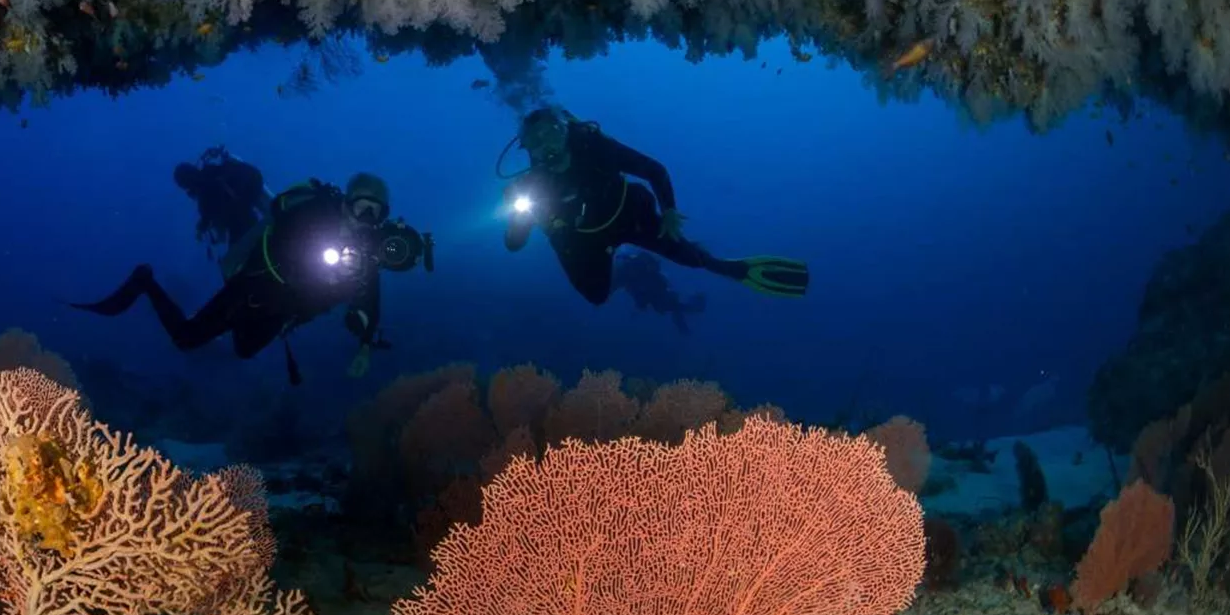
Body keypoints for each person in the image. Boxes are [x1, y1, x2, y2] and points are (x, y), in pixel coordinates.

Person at [73, 173, 432, 382]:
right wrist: (326, 269)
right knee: (185, 339)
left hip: (281, 313)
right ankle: (146, 281)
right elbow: (286, 245)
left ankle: (216, 324)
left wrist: (365, 345)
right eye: (361, 207)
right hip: (252, 291)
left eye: (375, 212)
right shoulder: (313, 216)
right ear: (345, 203)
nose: (365, 218)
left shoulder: (367, 254)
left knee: (244, 351)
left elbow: (370, 300)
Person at [502, 106, 808, 304]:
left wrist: (669, 211)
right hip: (584, 239)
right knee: (596, 297)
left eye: (552, 132)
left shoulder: (596, 147)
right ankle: (622, 270)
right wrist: (519, 218)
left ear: (565, 129)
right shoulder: (528, 186)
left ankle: (731, 268)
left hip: (629, 213)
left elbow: (654, 170)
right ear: (527, 150)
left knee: (688, 257)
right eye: (536, 142)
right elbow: (514, 245)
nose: (547, 145)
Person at [174, 146, 272, 267]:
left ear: (186, 183)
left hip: (243, 213)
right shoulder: (212, 173)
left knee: (236, 259)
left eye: (184, 185)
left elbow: (213, 214)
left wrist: (203, 226)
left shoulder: (206, 191)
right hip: (251, 193)